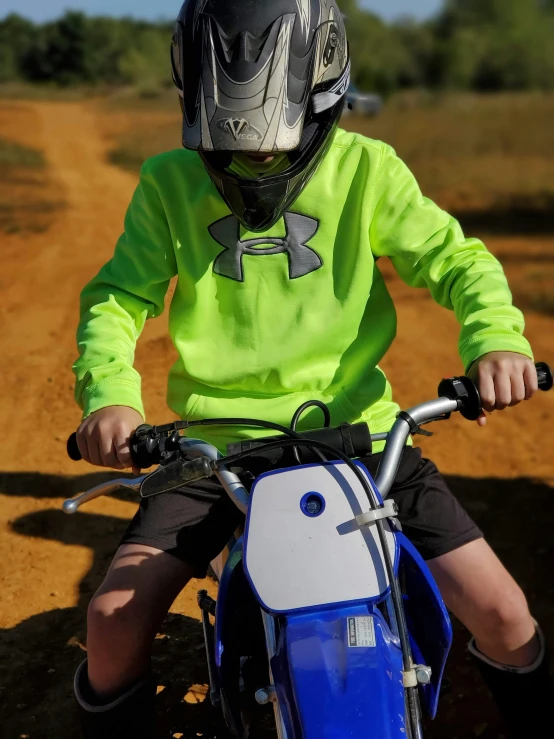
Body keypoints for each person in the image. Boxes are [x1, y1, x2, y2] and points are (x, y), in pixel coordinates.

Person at [71, 1, 552, 737]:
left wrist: (496, 340)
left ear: (324, 94)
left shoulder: (368, 168)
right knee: (110, 619)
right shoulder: (169, 183)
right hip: (214, 452)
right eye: (234, 146)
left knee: (505, 613)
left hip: (362, 441)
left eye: (274, 144)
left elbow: (457, 260)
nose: (256, 161)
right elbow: (117, 298)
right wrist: (110, 397)